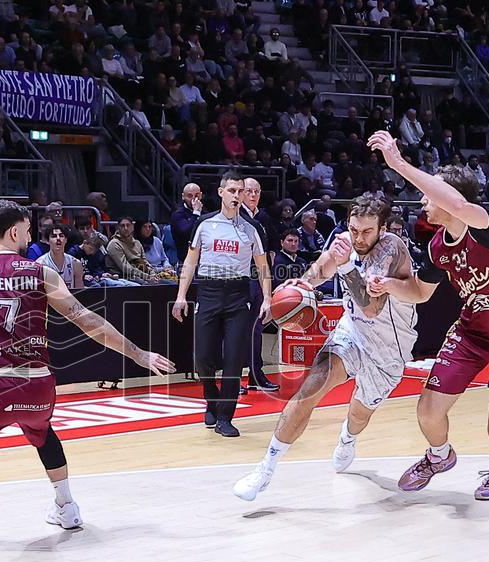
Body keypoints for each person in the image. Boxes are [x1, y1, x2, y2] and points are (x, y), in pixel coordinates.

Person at [0, 200, 174, 562]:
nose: (30, 238)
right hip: (40, 387)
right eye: (28, 231)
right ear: (13, 232)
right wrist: (139, 354)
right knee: (42, 432)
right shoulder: (41, 273)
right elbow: (86, 320)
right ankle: (67, 505)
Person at [366, 131, 489, 501]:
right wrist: (386, 284)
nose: (423, 198)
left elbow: (463, 209)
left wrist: (399, 164)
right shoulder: (437, 248)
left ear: (451, 197)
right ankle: (438, 456)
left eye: (431, 192)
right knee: (428, 412)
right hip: (472, 334)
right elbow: (419, 291)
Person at [233, 194, 418, 499]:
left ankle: (347, 438)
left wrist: (346, 267)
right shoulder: (346, 241)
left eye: (366, 232)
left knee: (359, 415)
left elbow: (372, 306)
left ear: (383, 228)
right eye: (354, 229)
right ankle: (264, 469)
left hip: (389, 348)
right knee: (310, 387)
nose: (358, 238)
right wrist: (300, 288)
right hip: (353, 331)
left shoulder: (392, 249)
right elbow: (320, 269)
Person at [172, 172, 272, 438]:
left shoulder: (252, 229)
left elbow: (263, 266)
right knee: (203, 358)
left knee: (234, 360)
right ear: (220, 193)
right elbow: (190, 262)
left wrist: (268, 299)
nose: (237, 196)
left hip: (239, 295)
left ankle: (225, 417)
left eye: (240, 191)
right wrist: (181, 296)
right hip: (208, 292)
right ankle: (210, 396)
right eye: (232, 191)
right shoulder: (204, 224)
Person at [240, 177, 278, 392]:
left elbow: (273, 241)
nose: (253, 195)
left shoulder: (263, 217)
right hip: (241, 279)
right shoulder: (236, 215)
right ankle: (233, 377)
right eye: (249, 191)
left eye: (256, 191)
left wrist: (271, 253)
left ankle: (255, 375)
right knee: (236, 331)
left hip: (260, 277)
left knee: (256, 328)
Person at [170, 183, 202, 265]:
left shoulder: (205, 214)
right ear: (183, 196)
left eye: (197, 195)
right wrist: (196, 213)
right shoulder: (178, 215)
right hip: (185, 261)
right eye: (190, 196)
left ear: (201, 195)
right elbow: (186, 232)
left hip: (203, 261)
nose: (194, 199)